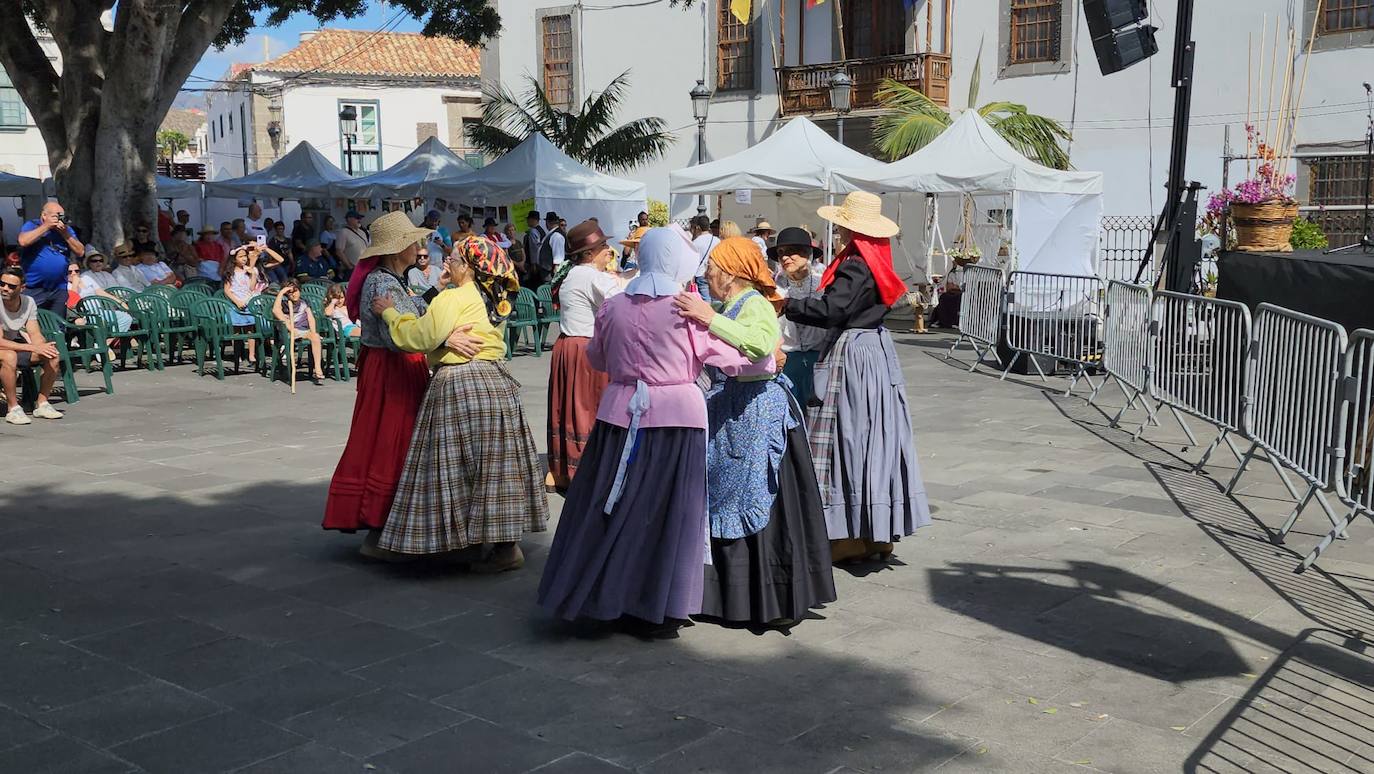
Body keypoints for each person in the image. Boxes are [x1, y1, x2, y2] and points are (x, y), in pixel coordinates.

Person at [537, 228, 757, 633]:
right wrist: (764, 359)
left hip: (619, 415)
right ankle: (654, 601)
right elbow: (726, 356)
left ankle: (598, 592)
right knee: (666, 511)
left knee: (610, 502)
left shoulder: (615, 306)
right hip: (676, 417)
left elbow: (598, 357)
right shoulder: (685, 307)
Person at [673, 237, 836, 627]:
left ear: (730, 273)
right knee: (725, 489)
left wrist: (708, 318)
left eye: (713, 265)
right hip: (732, 405)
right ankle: (725, 594)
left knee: (756, 491)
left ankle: (766, 594)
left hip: (758, 411)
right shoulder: (730, 304)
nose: (707, 271)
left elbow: (762, 344)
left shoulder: (756, 304)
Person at [372, 236, 548, 570]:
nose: (446, 263)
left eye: (452, 259)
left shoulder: (454, 298)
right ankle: (505, 546)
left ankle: (457, 541)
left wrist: (391, 313)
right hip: (496, 382)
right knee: (496, 469)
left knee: (454, 466)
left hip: (461, 384)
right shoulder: (493, 299)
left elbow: (418, 337)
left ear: (467, 266)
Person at [782, 191, 931, 563]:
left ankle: (849, 532)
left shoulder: (856, 264)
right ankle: (876, 533)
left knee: (847, 436)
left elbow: (835, 309)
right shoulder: (875, 258)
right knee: (874, 437)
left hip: (854, 354)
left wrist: (789, 305)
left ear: (851, 226)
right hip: (874, 350)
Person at [326, 211, 484, 558]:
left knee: (395, 439)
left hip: (396, 366)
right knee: (391, 440)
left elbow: (410, 310)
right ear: (399, 248)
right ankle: (382, 529)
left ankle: (390, 528)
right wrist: (445, 341)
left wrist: (437, 288)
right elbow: (399, 337)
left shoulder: (389, 279)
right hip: (391, 369)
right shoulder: (382, 283)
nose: (419, 246)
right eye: (414, 241)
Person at [545, 220, 621, 494]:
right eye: (602, 247)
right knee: (586, 406)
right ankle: (584, 469)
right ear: (589, 254)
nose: (608, 252)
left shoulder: (575, 274)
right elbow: (618, 303)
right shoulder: (589, 276)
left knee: (567, 406)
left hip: (568, 345)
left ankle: (562, 468)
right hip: (584, 346)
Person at [0, 266, 63, 425]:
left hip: (13, 346)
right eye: (2, 284)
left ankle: (42, 404)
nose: (5, 288)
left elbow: (34, 333)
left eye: (11, 286)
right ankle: (13, 409)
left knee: (53, 355)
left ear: (22, 288)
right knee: (9, 356)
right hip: (5, 348)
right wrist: (32, 348)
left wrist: (42, 346)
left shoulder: (29, 302)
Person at [771, 227, 827, 406]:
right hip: (787, 361)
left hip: (820, 360)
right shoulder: (774, 288)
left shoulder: (823, 284)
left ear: (807, 254)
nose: (785, 257)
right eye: (781, 253)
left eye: (792, 252)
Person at [18, 202, 85, 315]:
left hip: (59, 288)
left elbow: (80, 251)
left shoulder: (66, 230)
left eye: (62, 216)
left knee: (57, 325)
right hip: (34, 287)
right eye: (56, 216)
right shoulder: (33, 224)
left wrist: (65, 233)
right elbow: (23, 241)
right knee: (30, 321)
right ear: (44, 215)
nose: (59, 219)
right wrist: (46, 226)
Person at [274, 280, 326, 385]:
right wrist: (281, 293)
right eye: (290, 292)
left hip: (303, 330)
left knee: (315, 337)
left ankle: (318, 368)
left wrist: (312, 331)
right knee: (283, 318)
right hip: (288, 331)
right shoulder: (284, 304)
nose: (293, 294)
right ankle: (292, 330)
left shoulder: (304, 302)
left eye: (295, 291)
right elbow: (275, 311)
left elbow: (311, 318)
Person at [72, 256, 134, 334]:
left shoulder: (86, 278)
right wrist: (74, 284)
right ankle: (104, 343)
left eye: (76, 271)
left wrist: (120, 302)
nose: (73, 273)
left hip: (100, 310)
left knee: (126, 318)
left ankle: (107, 342)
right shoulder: (66, 285)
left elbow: (102, 293)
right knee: (103, 321)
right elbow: (72, 302)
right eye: (70, 272)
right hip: (85, 314)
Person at [688, 215, 719, 303]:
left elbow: (693, 262)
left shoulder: (695, 242)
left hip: (700, 274)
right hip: (714, 272)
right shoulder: (717, 240)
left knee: (705, 300)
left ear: (698, 227)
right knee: (716, 298)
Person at [932, 258, 968, 329]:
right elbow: (949, 287)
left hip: (962, 293)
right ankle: (942, 320)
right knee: (943, 297)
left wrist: (956, 287)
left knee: (959, 298)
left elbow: (964, 287)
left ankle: (955, 321)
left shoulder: (967, 273)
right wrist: (956, 287)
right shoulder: (952, 273)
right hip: (953, 293)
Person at [334, 210, 369, 276]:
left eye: (360, 218)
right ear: (349, 219)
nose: (359, 220)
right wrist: (349, 266)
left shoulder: (362, 232)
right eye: (357, 218)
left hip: (363, 267)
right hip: (352, 269)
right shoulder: (343, 232)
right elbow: (339, 251)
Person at [521, 211, 547, 287]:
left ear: (532, 220)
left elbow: (534, 249)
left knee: (532, 283)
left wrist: (533, 263)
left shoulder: (533, 232)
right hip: (542, 261)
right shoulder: (542, 230)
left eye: (528, 219)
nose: (527, 221)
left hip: (534, 263)